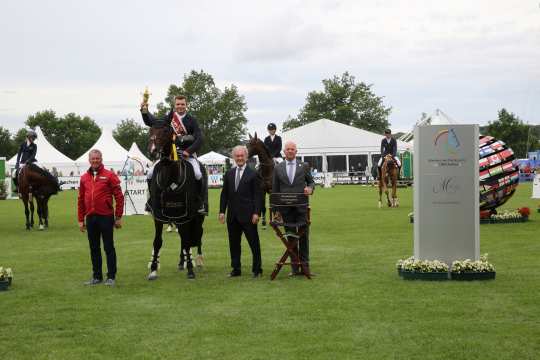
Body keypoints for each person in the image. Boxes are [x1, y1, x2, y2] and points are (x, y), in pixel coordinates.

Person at [140, 95, 208, 214]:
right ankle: (152, 200)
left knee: (198, 174)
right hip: (168, 155)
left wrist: (189, 151)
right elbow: (150, 121)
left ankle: (200, 202)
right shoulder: (168, 119)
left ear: (186, 105)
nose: (180, 106)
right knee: (150, 174)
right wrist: (144, 110)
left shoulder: (192, 120)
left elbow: (199, 138)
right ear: (174, 105)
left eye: (182, 104)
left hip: (187, 155)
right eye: (178, 104)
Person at [78, 149, 124, 286]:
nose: (95, 161)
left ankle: (111, 276)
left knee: (109, 247)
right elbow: (80, 199)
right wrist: (81, 219)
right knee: (94, 248)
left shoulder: (110, 175)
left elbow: (119, 197)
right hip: (90, 218)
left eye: (97, 158)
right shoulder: (84, 178)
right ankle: (97, 276)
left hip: (106, 216)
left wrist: (118, 216)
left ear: (101, 159)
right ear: (89, 160)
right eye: (93, 159)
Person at [219, 145, 263, 278]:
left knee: (254, 243)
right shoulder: (229, 174)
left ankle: (257, 269)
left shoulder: (254, 174)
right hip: (232, 216)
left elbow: (258, 196)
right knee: (234, 244)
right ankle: (236, 269)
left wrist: (257, 213)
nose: (239, 158)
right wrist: (222, 211)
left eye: (241, 156)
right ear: (233, 157)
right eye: (237, 156)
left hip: (249, 216)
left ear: (246, 157)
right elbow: (224, 194)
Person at [272, 141, 315, 276]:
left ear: (296, 152)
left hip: (302, 208)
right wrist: (276, 211)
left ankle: (305, 267)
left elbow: (312, 182)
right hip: (286, 209)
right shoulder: (278, 168)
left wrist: (310, 188)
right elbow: (275, 190)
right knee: (290, 237)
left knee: (303, 238)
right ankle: (295, 268)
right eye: (288, 149)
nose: (290, 151)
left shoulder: (304, 166)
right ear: (284, 152)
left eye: (292, 149)